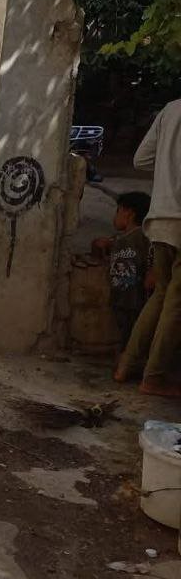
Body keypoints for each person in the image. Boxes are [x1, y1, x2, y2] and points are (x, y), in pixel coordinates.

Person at [116, 100, 181, 396]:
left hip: (160, 218)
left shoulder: (171, 109)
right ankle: (155, 376)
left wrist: (170, 170)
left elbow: (141, 159)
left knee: (163, 294)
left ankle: (127, 363)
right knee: (175, 302)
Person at [93, 192, 152, 356]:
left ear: (129, 212)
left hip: (130, 298)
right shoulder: (129, 238)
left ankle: (126, 363)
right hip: (128, 298)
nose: (115, 216)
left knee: (129, 334)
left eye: (118, 210)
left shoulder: (135, 239)